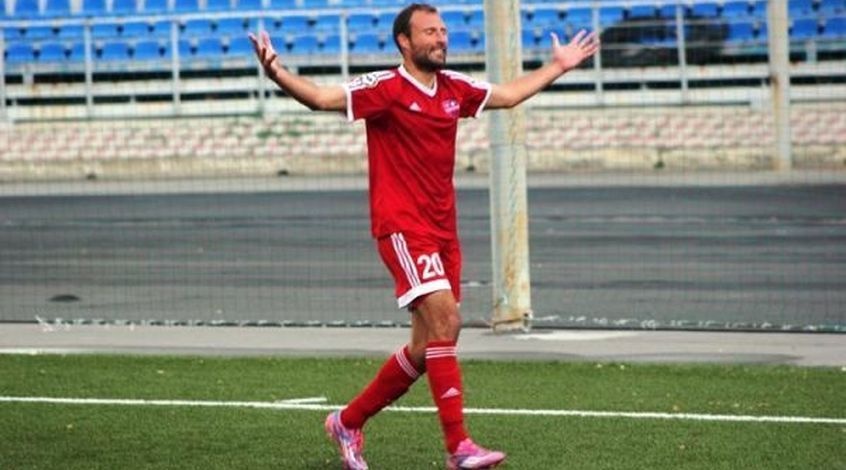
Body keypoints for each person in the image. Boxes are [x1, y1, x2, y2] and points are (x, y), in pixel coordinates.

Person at [249, 3, 599, 469]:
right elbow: (320, 98)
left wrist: (557, 66)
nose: (441, 38)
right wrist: (276, 73)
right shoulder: (385, 89)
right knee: (447, 322)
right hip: (402, 228)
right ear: (404, 41)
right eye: (430, 32)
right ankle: (459, 447)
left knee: (425, 346)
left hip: (443, 232)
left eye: (443, 31)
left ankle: (347, 422)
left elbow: (509, 95)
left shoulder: (454, 88)